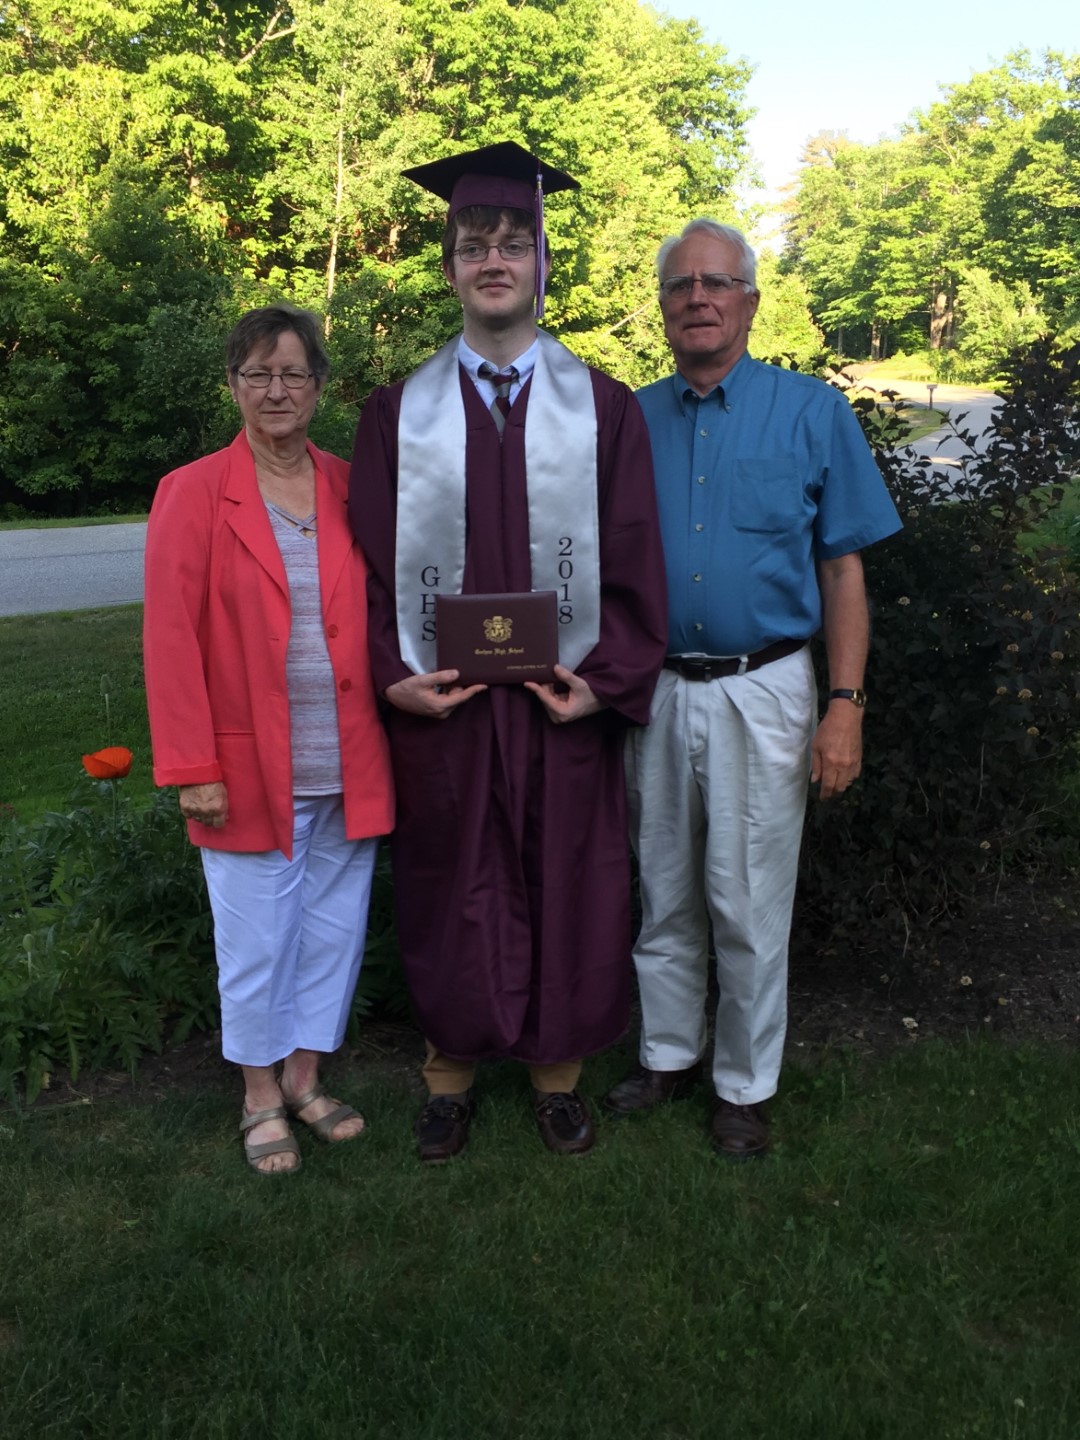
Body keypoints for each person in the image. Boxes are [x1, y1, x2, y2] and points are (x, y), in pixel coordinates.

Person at [349, 142, 667, 1162]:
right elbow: (364, 569)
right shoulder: (400, 415)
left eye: (513, 243)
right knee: (452, 878)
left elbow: (632, 554)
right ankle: (449, 1072)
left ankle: (558, 1075)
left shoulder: (602, 407)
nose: (494, 259)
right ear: (448, 267)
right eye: (474, 243)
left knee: (565, 875)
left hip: (556, 703)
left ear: (540, 264)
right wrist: (395, 677)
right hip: (447, 709)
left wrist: (605, 683)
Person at [602, 220, 901, 1157]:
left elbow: (843, 571)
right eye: (682, 284)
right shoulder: (627, 421)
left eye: (718, 283)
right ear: (662, 305)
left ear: (750, 302)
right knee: (664, 889)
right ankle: (666, 1052)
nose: (699, 298)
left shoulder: (810, 413)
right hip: (653, 688)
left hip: (764, 686)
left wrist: (844, 708)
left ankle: (743, 1082)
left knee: (747, 895)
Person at [143, 304, 394, 1175]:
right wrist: (190, 766)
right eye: (258, 374)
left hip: (349, 757)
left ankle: (304, 1078)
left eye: (293, 374)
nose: (276, 390)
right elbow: (170, 638)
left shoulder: (352, 484)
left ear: (320, 387)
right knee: (256, 940)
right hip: (245, 765)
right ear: (234, 386)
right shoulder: (194, 491)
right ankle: (257, 1096)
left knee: (331, 933)